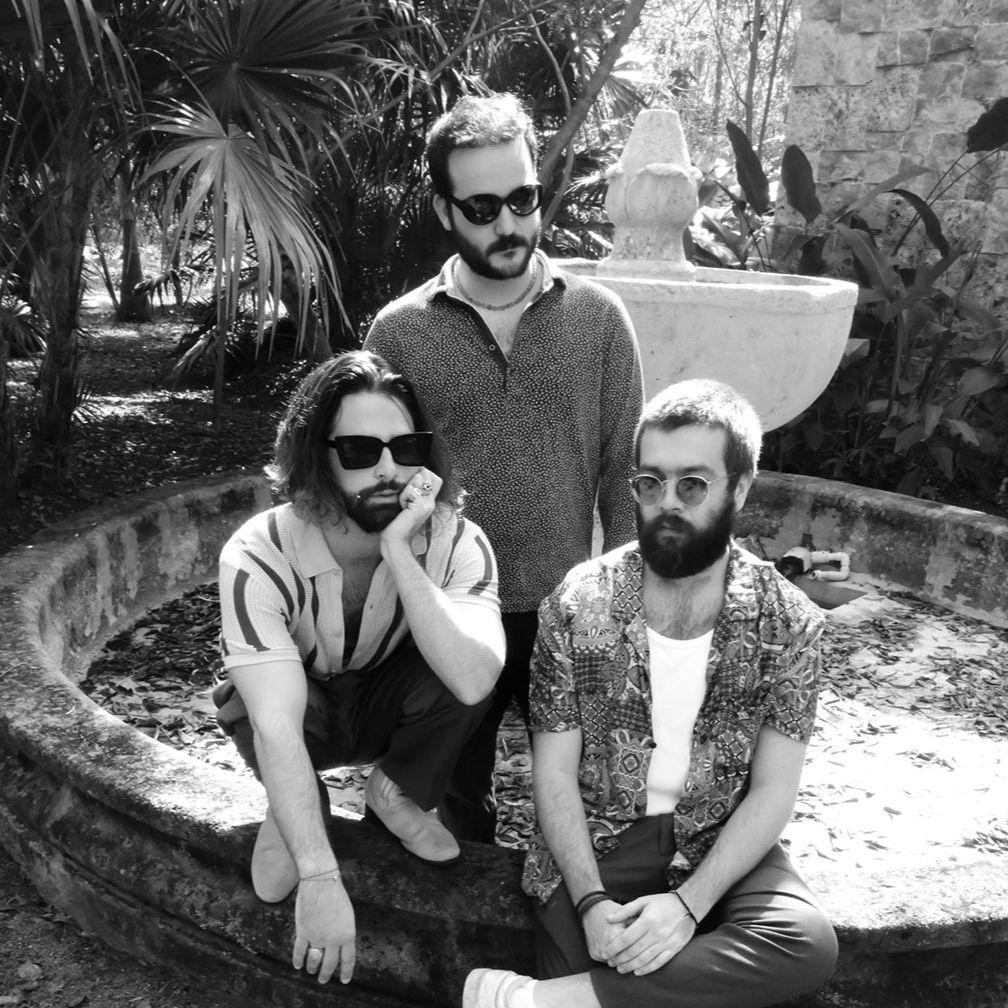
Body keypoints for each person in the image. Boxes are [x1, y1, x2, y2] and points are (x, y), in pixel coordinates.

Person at [463, 379, 838, 1008]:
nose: (667, 503)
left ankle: (532, 1002)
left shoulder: (789, 622)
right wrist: (590, 902)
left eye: (692, 485)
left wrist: (688, 907)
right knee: (612, 961)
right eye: (650, 483)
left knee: (805, 943)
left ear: (740, 488)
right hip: (599, 841)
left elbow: (775, 791)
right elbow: (552, 774)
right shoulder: (578, 603)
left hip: (719, 834)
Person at [363, 91, 644, 844]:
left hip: (569, 606)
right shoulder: (400, 333)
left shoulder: (598, 317)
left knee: (588, 798)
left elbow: (625, 468)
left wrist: (624, 604)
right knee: (456, 803)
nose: (509, 224)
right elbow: (378, 476)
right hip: (453, 608)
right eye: (482, 208)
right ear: (443, 209)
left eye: (523, 199)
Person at [215, 350, 505, 987]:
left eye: (407, 448)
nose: (388, 469)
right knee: (254, 700)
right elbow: (277, 724)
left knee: (462, 661)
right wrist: (320, 876)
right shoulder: (259, 553)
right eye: (359, 451)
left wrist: (398, 549)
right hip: (305, 714)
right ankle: (298, 806)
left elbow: (475, 679)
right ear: (316, 457)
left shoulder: (457, 541)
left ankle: (394, 791)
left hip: (385, 704)